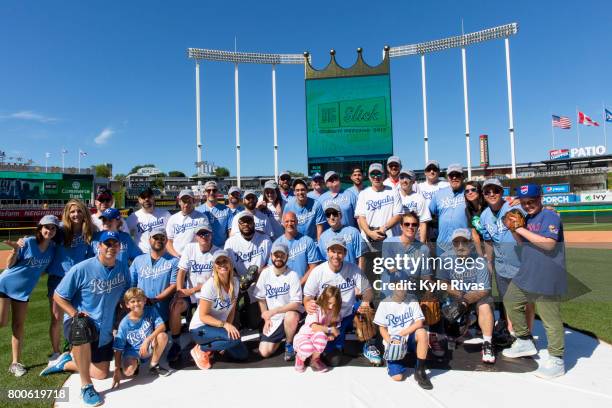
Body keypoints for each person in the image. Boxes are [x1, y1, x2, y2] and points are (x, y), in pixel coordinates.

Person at [48, 231, 131, 407]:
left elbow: (126, 291)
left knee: (101, 374)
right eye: (106, 244)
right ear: (98, 247)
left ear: (119, 247)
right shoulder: (82, 268)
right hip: (82, 321)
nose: (111, 247)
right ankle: (86, 386)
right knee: (81, 325)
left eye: (114, 244)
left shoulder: (122, 267)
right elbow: (58, 295)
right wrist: (73, 313)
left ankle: (67, 362)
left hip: (105, 327)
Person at [502, 184, 567, 379]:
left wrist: (520, 229)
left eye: (531, 201)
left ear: (540, 198)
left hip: (548, 273)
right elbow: (522, 244)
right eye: (524, 203)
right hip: (529, 271)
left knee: (550, 319)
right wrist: (514, 230)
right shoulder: (528, 218)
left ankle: (557, 359)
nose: (528, 205)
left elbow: (548, 244)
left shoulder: (550, 216)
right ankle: (524, 340)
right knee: (511, 300)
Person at [303, 237, 380, 366]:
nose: (336, 255)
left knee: (367, 308)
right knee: (335, 360)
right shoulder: (318, 272)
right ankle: (328, 345)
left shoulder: (353, 269)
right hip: (330, 318)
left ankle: (369, 345)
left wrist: (365, 301)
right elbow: (307, 296)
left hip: (348, 312)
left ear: (344, 253)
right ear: (327, 252)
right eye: (333, 251)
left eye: (340, 252)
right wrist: (307, 304)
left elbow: (368, 291)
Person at [0, 215, 58, 377]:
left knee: (18, 326)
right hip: (5, 284)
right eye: (47, 227)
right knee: (1, 322)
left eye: (53, 228)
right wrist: (15, 249)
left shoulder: (53, 248)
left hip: (23, 291)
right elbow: (8, 265)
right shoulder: (29, 242)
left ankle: (15, 363)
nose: (50, 230)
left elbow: (43, 270)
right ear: (40, 228)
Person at [480, 179, 534, 337]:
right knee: (508, 301)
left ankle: (527, 334)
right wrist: (489, 261)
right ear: (483, 195)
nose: (491, 194)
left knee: (527, 301)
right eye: (487, 191)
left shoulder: (515, 207)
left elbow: (534, 213)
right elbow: (488, 240)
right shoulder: (484, 216)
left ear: (502, 192)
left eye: (495, 190)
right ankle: (512, 334)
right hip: (501, 264)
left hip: (521, 261)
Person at [437, 229, 496, 364]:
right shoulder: (445, 258)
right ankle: (466, 323)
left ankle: (487, 343)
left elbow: (484, 290)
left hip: (476, 298)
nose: (460, 246)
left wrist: (465, 301)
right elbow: (442, 283)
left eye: (464, 242)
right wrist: (460, 296)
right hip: (456, 297)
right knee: (452, 331)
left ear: (470, 243)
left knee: (485, 305)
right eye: (456, 243)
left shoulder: (480, 260)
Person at [46, 200, 95, 362]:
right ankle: (56, 352)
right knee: (56, 317)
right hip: (58, 279)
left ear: (84, 214)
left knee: (77, 316)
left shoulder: (88, 231)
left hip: (79, 281)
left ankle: (74, 349)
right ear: (67, 213)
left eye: (79, 211)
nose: (76, 214)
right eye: (72, 211)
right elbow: (42, 236)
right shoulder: (60, 230)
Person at [167, 223, 218, 362]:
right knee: (176, 306)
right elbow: (182, 271)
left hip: (207, 295)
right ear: (196, 236)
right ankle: (176, 343)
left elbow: (214, 281)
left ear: (211, 235)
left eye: (206, 234)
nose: (204, 237)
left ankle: (204, 345)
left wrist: (192, 290)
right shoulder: (190, 248)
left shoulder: (217, 252)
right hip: (190, 295)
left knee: (202, 321)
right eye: (201, 234)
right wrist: (179, 291)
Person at [189, 250, 248, 369]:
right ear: (214, 266)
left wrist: (228, 329)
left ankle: (217, 345)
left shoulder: (235, 283)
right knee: (232, 339)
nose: (222, 264)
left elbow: (231, 310)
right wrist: (225, 326)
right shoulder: (209, 286)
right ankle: (200, 349)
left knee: (242, 354)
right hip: (200, 328)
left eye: (225, 261)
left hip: (218, 327)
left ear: (230, 263)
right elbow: (203, 316)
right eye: (218, 262)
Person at [374, 277, 432, 389]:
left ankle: (420, 371)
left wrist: (401, 334)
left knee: (422, 332)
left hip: (408, 337)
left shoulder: (412, 299)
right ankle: (392, 361)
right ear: (392, 287)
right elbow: (382, 328)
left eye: (405, 286)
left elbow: (419, 322)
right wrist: (389, 340)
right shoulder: (384, 303)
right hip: (394, 342)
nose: (402, 289)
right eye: (399, 286)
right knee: (398, 377)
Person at [111, 288, 169, 388]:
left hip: (148, 345)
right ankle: (135, 363)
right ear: (127, 304)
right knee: (128, 372)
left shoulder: (151, 311)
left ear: (145, 301)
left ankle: (153, 365)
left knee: (162, 336)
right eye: (132, 301)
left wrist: (148, 340)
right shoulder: (124, 324)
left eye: (139, 300)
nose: (136, 303)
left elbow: (162, 326)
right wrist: (116, 369)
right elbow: (118, 349)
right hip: (132, 351)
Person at [355, 163, 403, 284]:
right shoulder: (363, 194)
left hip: (388, 239)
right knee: (367, 277)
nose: (376, 177)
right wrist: (370, 233)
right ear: (369, 177)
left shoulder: (393, 191)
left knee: (391, 275)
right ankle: (367, 302)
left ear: (384, 175)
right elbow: (361, 217)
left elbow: (398, 215)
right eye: (373, 174)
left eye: (378, 174)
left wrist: (384, 228)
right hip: (368, 240)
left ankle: (389, 300)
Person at [255, 242, 302, 361]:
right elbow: (260, 298)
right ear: (271, 256)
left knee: (291, 315)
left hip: (289, 314)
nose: (278, 258)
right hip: (273, 318)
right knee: (264, 352)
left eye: (282, 255)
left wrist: (274, 311)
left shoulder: (292, 275)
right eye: (276, 255)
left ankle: (289, 343)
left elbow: (296, 303)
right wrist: (266, 318)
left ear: (287, 256)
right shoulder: (266, 273)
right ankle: (284, 335)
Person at [225, 211, 272, 329]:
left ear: (254, 223)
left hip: (258, 281)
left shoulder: (265, 240)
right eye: (242, 222)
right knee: (230, 299)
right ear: (238, 224)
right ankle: (234, 322)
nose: (246, 224)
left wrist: (258, 275)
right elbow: (227, 266)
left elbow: (271, 264)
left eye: (249, 221)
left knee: (254, 323)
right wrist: (238, 280)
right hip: (238, 281)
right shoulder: (231, 242)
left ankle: (249, 312)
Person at [129, 227, 178, 324]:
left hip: (164, 312)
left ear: (166, 240)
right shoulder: (138, 260)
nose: (159, 240)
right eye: (155, 238)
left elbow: (174, 285)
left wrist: (155, 299)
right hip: (141, 311)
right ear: (149, 240)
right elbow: (131, 284)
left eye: (162, 238)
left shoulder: (174, 261)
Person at [293, 286, 342, 373]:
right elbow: (314, 327)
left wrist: (332, 334)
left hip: (316, 338)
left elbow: (334, 324)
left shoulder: (335, 311)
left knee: (322, 336)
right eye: (329, 303)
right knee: (307, 347)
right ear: (323, 298)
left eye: (334, 304)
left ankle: (315, 360)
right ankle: (300, 358)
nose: (331, 306)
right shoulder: (315, 307)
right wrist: (330, 330)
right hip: (304, 337)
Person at [271, 212, 322, 284]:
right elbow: (272, 268)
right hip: (284, 287)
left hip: (304, 285)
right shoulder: (276, 244)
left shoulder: (307, 241)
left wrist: (300, 283)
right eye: (287, 221)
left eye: (292, 221)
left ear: (297, 222)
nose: (290, 224)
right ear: (282, 223)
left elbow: (313, 267)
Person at [429, 164, 468, 255]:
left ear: (463, 176)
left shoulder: (469, 192)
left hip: (463, 245)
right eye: (451, 175)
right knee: (442, 269)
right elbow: (429, 213)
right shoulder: (439, 194)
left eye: (457, 175)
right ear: (448, 178)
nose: (454, 177)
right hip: (442, 245)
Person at [318, 202, 367, 271]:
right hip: (333, 277)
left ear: (340, 215)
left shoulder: (353, 232)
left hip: (352, 274)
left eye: (334, 214)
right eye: (328, 215)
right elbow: (323, 261)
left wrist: (360, 276)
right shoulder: (323, 237)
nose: (332, 217)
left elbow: (362, 255)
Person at [126, 187, 171, 253]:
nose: (146, 199)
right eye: (143, 197)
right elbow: (125, 237)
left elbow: (172, 236)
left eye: (149, 196)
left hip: (162, 254)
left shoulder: (166, 214)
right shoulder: (133, 217)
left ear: (153, 198)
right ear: (139, 199)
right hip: (142, 255)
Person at [166, 189, 209, 257]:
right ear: (179, 202)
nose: (186, 204)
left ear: (194, 201)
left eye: (189, 201)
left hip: (195, 257)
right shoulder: (173, 219)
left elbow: (205, 240)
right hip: (176, 257)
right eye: (184, 201)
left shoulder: (202, 218)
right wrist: (176, 255)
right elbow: (169, 241)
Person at [417, 160, 449, 242]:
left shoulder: (446, 185)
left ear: (438, 172)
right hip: (425, 223)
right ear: (425, 172)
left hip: (441, 223)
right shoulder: (418, 187)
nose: (432, 171)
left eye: (434, 169)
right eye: (429, 169)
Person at [398, 169, 431, 243]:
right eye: (402, 177)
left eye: (408, 178)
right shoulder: (394, 197)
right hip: (397, 240)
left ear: (413, 181)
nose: (404, 180)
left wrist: (421, 244)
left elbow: (423, 223)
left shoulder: (419, 198)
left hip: (414, 241)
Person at [196, 181, 231, 248]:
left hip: (221, 248)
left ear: (217, 192)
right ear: (205, 192)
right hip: (204, 249)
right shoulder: (198, 211)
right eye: (208, 190)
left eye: (214, 190)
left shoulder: (226, 210)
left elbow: (230, 232)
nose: (211, 193)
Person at [464, 180, 486, 256]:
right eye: (467, 191)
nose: (470, 192)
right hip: (483, 245)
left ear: (479, 191)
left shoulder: (487, 206)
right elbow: (475, 234)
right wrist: (480, 254)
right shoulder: (468, 210)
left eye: (473, 190)